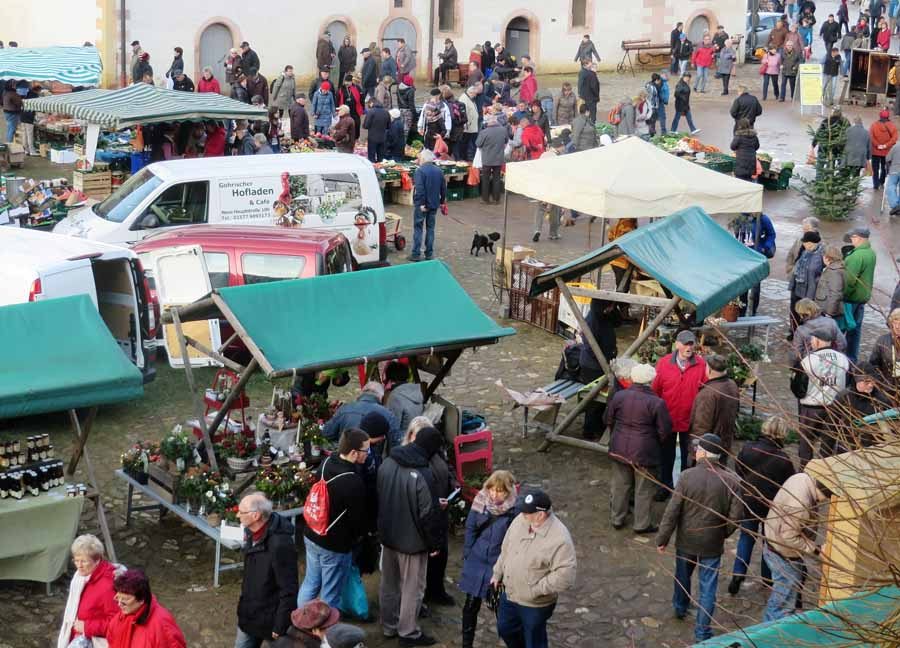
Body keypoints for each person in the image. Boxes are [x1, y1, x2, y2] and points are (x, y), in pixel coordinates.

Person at [655, 434, 742, 643]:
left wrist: (662, 538)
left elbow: (672, 511)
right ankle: (702, 633)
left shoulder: (686, 476)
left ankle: (680, 607)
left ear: (702, 452)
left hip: (687, 540)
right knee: (708, 589)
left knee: (682, 577)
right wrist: (721, 533)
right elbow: (735, 518)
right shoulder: (732, 481)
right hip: (712, 544)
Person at [377, 426, 445, 647]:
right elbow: (427, 514)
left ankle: (389, 625)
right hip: (413, 542)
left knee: (389, 583)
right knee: (412, 588)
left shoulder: (387, 462)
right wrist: (434, 543)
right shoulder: (422, 473)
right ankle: (408, 632)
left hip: (387, 536)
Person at [490, 490, 576, 648]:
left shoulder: (560, 538)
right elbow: (506, 548)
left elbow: (565, 576)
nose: (522, 514)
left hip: (534, 604)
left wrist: (535, 589)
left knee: (534, 642)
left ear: (540, 515)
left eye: (527, 512)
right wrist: (497, 573)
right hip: (509, 594)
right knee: (505, 629)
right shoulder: (520, 520)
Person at [298, 429, 369, 609]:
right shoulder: (352, 481)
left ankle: (301, 623)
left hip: (311, 532)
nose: (368, 455)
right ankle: (325, 635)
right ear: (354, 452)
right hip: (334, 544)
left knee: (311, 583)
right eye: (366, 451)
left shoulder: (326, 462)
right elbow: (358, 520)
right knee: (330, 594)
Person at [728, 416, 795, 596]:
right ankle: (767, 578)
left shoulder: (748, 448)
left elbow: (739, 469)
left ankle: (738, 573)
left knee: (746, 538)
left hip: (749, 501)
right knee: (769, 542)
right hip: (770, 506)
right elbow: (788, 484)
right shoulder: (783, 459)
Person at [605, 363, 672, 533]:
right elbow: (665, 431)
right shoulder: (657, 403)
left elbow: (608, 418)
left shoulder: (619, 396)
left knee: (620, 485)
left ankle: (617, 518)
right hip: (645, 452)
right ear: (651, 380)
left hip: (619, 448)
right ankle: (641, 524)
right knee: (644, 489)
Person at [459, 470, 518, 648]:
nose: (494, 494)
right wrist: (469, 552)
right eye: (492, 489)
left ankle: (508, 640)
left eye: (499, 491)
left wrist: (505, 566)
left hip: (497, 564)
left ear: (508, 491)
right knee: (470, 606)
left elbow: (514, 542)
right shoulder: (480, 501)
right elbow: (470, 527)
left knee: (501, 608)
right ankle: (466, 644)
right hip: (476, 561)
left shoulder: (515, 511)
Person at [763, 473, 830, 621]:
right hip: (782, 553)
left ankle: (786, 617)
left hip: (774, 543)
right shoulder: (801, 504)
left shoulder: (802, 478)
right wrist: (816, 550)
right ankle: (770, 634)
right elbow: (788, 537)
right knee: (782, 602)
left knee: (787, 593)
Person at [234, 493, 298, 646]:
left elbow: (288, 588)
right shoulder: (252, 532)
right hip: (249, 614)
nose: (237, 515)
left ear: (255, 516)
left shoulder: (280, 545)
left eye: (241, 512)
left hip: (271, 620)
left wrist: (280, 624)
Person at [653, 330, 708, 498]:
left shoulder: (701, 365)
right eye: (685, 344)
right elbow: (656, 390)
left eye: (691, 343)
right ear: (676, 344)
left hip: (690, 420)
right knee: (665, 455)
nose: (688, 347)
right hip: (667, 419)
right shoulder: (663, 363)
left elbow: (705, 392)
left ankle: (685, 491)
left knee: (688, 457)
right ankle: (665, 487)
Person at [797, 326, 850, 467]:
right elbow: (849, 381)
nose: (811, 343)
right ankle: (826, 473)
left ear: (818, 341)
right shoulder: (843, 359)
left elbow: (797, 386)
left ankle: (805, 471)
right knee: (828, 444)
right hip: (834, 407)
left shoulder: (808, 360)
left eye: (812, 340)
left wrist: (803, 397)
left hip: (812, 407)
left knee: (806, 443)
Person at [57, 534, 119, 648]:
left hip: (93, 640)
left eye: (84, 561)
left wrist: (87, 627)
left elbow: (118, 623)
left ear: (97, 560)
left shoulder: (108, 586)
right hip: (80, 634)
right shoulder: (83, 575)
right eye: (76, 560)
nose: (79, 566)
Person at [106, 569, 186, 648]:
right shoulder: (120, 618)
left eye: (125, 600)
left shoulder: (162, 626)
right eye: (118, 598)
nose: (119, 604)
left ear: (141, 599)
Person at [828, 362, 893, 452]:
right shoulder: (843, 398)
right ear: (857, 380)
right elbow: (830, 427)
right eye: (867, 381)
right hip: (848, 448)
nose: (871, 385)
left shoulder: (881, 399)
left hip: (875, 447)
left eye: (873, 381)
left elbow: (892, 425)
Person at [688, 354, 739, 465]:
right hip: (725, 443)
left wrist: (695, 452)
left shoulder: (707, 394)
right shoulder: (732, 385)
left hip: (709, 450)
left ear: (709, 370)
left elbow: (701, 426)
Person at [324, 382, 401, 450]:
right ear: (381, 397)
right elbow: (395, 443)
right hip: (373, 461)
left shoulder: (344, 408)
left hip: (345, 456)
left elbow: (327, 433)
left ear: (362, 393)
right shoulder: (387, 414)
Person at [843, 226, 877, 362]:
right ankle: (852, 359)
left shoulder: (856, 255)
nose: (851, 239)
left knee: (843, 329)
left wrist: (843, 295)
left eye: (853, 237)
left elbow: (849, 280)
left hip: (851, 299)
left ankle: (842, 360)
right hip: (862, 298)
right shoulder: (871, 252)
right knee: (855, 331)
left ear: (860, 238)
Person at [409, 149, 446, 262]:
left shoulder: (420, 171)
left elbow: (420, 189)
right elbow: (443, 188)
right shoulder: (439, 171)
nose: (418, 160)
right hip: (434, 204)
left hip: (422, 205)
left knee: (418, 228)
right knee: (430, 229)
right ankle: (429, 253)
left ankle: (416, 254)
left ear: (424, 159)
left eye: (420, 158)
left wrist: (421, 203)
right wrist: (442, 202)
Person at [792, 298, 848, 363]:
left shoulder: (801, 330)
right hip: (832, 360)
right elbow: (843, 344)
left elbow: (797, 354)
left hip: (812, 364)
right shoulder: (831, 322)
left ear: (801, 314)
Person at [788, 231, 825, 330]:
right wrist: (792, 285)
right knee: (794, 310)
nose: (803, 244)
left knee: (808, 313)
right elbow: (796, 268)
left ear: (811, 243)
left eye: (805, 242)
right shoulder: (804, 252)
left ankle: (807, 333)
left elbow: (823, 273)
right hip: (797, 288)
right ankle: (793, 331)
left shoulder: (822, 255)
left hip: (810, 290)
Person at [476, 112, 508, 204]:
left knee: (485, 179)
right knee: (497, 179)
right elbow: (506, 140)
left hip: (487, 159)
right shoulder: (503, 130)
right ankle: (496, 199)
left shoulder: (484, 132)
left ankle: (485, 199)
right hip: (498, 158)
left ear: (488, 122)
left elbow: (478, 144)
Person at [385, 361, 424, 432]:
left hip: (403, 438)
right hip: (417, 434)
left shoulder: (395, 396)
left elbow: (392, 426)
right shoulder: (417, 391)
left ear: (390, 378)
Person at [813, 244, 847, 325]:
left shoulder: (834, 271)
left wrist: (829, 314)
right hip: (826, 309)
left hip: (828, 312)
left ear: (827, 257)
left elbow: (836, 294)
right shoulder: (835, 268)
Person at [870, 308, 900, 390]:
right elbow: (873, 364)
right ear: (891, 323)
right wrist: (880, 383)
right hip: (886, 387)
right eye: (895, 322)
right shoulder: (882, 340)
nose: (898, 326)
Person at [870, 109, 898, 189]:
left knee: (875, 169)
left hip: (875, 151)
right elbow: (894, 138)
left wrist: (877, 145)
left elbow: (871, 137)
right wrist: (885, 145)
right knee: (884, 168)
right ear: (888, 117)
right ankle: (881, 182)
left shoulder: (874, 125)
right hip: (887, 152)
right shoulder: (892, 126)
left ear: (880, 116)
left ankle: (875, 184)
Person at [363, 98, 390, 163]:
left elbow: (366, 125)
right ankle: (380, 170)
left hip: (372, 137)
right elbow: (388, 126)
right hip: (383, 137)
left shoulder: (371, 112)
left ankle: (372, 171)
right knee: (380, 158)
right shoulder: (386, 112)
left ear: (371, 103)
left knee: (371, 158)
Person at [577, 58, 600, 123]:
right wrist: (596, 96)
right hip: (591, 98)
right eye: (590, 63)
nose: (591, 64)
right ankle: (592, 126)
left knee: (585, 113)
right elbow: (594, 87)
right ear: (586, 64)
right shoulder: (591, 74)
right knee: (592, 115)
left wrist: (580, 94)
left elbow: (580, 84)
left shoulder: (581, 72)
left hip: (584, 97)